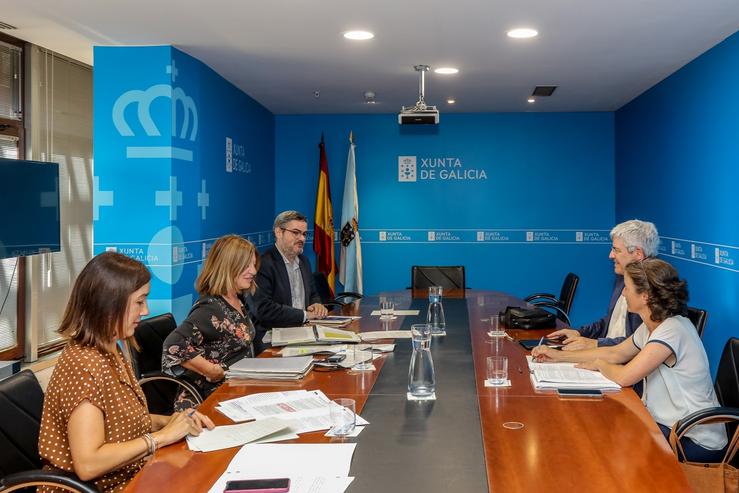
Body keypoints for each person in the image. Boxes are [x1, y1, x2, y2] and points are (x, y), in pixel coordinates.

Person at [39, 252, 214, 493]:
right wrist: (161, 437)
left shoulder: (112, 348)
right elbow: (89, 464)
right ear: (110, 304)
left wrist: (177, 421)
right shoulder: (82, 366)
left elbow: (124, 423)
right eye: (140, 302)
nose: (146, 311)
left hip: (129, 476)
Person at [533, 258, 727, 462]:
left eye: (626, 288)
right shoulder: (651, 326)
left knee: (611, 441)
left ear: (644, 297)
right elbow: (614, 353)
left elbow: (625, 376)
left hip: (693, 437)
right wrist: (558, 356)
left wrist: (599, 365)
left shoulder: (672, 330)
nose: (623, 293)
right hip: (666, 424)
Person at [162, 235, 258, 411]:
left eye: (253, 264)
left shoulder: (236, 298)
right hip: (208, 400)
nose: (253, 271)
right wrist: (210, 370)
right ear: (228, 266)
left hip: (235, 391)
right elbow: (173, 345)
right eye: (246, 265)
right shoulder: (211, 308)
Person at [549, 219, 659, 350]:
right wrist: (580, 333)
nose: (610, 255)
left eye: (616, 250)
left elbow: (640, 343)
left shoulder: (654, 289)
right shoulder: (621, 278)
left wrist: (594, 344)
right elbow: (610, 322)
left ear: (638, 254)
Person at [250, 210, 328, 351]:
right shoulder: (264, 264)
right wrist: (304, 315)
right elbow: (263, 309)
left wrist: (316, 304)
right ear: (279, 232)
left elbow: (312, 293)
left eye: (304, 234)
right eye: (296, 232)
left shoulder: (304, 261)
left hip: (303, 332)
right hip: (273, 338)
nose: (302, 239)